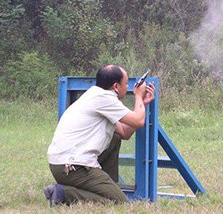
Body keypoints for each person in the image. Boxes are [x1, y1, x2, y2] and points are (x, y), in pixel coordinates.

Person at [43, 64, 155, 206]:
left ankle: (108, 187)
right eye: (126, 84)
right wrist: (138, 96)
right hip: (72, 166)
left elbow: (124, 132)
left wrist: (141, 105)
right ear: (115, 86)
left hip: (62, 163)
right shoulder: (105, 99)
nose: (128, 88)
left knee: (115, 138)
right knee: (119, 204)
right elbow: (138, 121)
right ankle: (64, 194)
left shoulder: (94, 95)